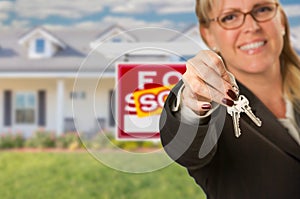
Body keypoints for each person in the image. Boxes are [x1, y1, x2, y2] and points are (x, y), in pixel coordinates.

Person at [159, 0, 300, 198]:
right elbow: (183, 145)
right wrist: (192, 105)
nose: (252, 27)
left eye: (262, 9)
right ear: (208, 34)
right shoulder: (212, 107)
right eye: (230, 17)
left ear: (282, 21)